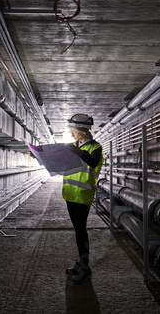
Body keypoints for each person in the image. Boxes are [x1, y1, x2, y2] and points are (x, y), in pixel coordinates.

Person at [63, 113, 104, 284]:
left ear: (83, 132)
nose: (72, 134)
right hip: (70, 194)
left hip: (82, 195)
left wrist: (80, 153)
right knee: (77, 230)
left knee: (81, 230)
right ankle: (81, 263)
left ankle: (85, 268)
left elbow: (93, 163)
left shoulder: (95, 147)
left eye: (74, 131)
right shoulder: (73, 145)